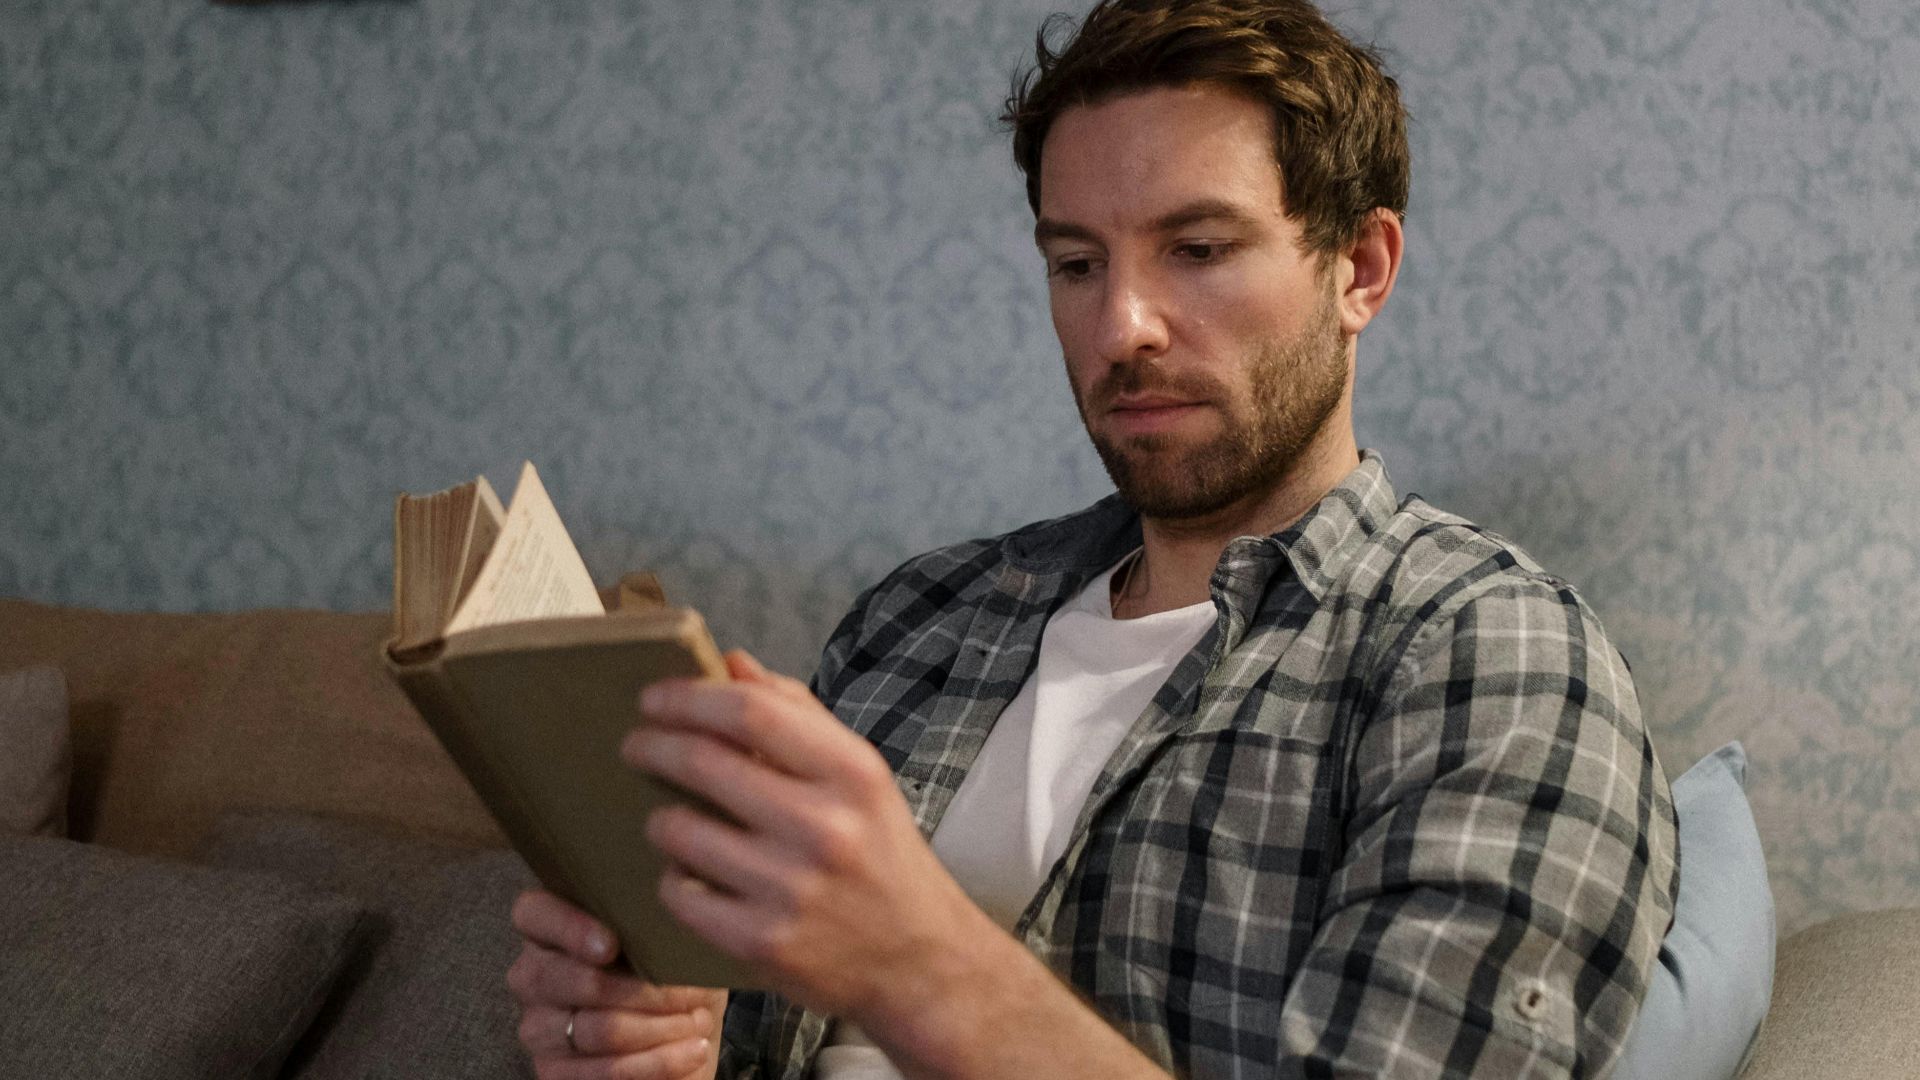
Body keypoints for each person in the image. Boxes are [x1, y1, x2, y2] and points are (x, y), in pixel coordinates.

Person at [506, 1, 1679, 1076]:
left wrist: (917, 960)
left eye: (1199, 249)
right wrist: (676, 1047)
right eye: (1076, 264)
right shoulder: (919, 619)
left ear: (1358, 269)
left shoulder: (1491, 662)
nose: (1121, 327)